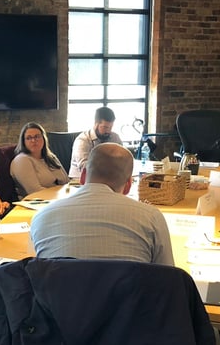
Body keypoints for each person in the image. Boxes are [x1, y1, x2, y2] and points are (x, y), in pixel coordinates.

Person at [31, 143, 174, 265]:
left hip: (61, 290)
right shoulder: (151, 218)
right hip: (127, 290)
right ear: (128, 185)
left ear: (83, 176)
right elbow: (168, 277)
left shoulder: (41, 218)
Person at [10, 122, 68, 198]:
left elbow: (66, 181)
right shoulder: (21, 160)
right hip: (37, 201)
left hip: (59, 198)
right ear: (23, 142)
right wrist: (60, 195)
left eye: (37, 137)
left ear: (43, 138)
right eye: (29, 138)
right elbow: (34, 191)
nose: (33, 140)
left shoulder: (51, 157)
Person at [68, 107, 123, 178]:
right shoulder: (83, 140)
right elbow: (85, 167)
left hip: (107, 179)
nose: (108, 131)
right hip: (80, 180)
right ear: (96, 124)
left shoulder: (115, 138)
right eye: (105, 127)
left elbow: (122, 158)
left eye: (111, 127)